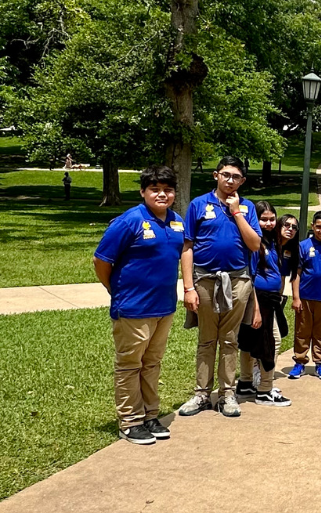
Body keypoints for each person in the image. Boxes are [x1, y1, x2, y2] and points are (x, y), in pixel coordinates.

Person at [93, 165, 184, 445]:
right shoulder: (128, 221)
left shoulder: (176, 222)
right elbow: (101, 261)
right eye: (155, 189)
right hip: (133, 308)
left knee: (152, 363)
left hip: (164, 307)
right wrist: (115, 290)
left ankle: (149, 414)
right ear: (143, 191)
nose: (162, 194)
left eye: (167, 189)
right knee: (130, 365)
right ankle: (130, 421)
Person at [179, 156, 262, 418]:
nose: (230, 180)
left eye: (236, 177)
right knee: (206, 339)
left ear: (242, 181)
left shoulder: (247, 207)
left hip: (238, 281)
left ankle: (227, 394)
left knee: (229, 339)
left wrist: (236, 211)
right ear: (216, 175)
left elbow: (255, 245)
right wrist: (188, 287)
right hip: (205, 280)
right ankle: (201, 394)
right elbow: (187, 246)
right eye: (225, 174)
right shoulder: (198, 205)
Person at [236, 204, 295, 407]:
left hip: (270, 299)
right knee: (271, 342)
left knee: (250, 341)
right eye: (264, 219)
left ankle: (245, 383)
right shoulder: (255, 243)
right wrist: (256, 309)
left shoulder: (271, 242)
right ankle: (265, 390)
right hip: (258, 299)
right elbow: (250, 276)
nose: (269, 223)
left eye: (272, 219)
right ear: (255, 219)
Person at [288, 211, 321, 380]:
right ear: (312, 226)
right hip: (305, 298)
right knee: (302, 331)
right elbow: (296, 273)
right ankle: (300, 362)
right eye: (318, 226)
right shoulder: (303, 246)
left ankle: (320, 363)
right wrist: (296, 297)